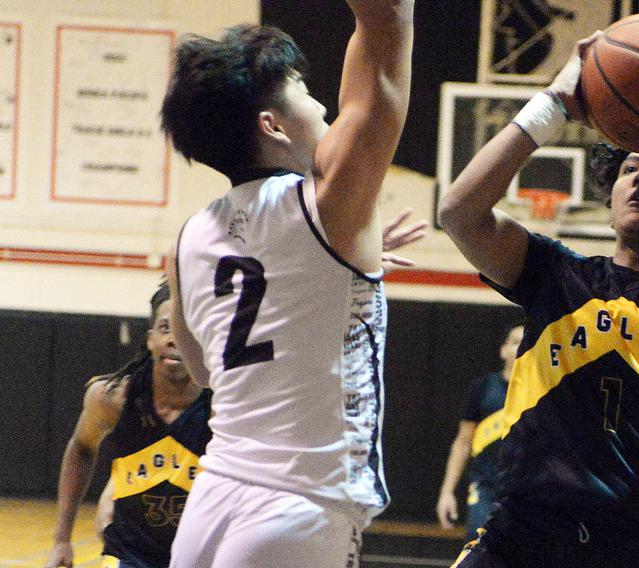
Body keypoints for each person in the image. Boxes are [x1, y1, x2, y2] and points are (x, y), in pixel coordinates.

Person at [438, 32, 639, 568]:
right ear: (608, 197)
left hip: (627, 547)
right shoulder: (555, 274)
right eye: (631, 168)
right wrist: (553, 107)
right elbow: (458, 214)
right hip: (518, 535)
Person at [160, 2, 414, 567]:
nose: (322, 105)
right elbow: (385, 32)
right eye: (302, 89)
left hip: (212, 499)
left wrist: (318, 286)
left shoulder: (189, 238)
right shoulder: (328, 201)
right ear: (272, 125)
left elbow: (205, 371)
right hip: (299, 505)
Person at [45, 283, 212, 568]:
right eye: (165, 328)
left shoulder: (225, 408)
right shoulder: (113, 398)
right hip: (129, 554)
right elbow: (81, 448)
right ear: (150, 339)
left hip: (201, 555)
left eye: (187, 331)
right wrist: (62, 538)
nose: (175, 339)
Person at [436, 324, 524, 541]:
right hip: (485, 488)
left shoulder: (543, 391)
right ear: (503, 350)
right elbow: (463, 442)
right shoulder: (484, 387)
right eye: (515, 342)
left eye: (527, 342)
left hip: (525, 491)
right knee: (478, 546)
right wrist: (447, 492)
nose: (521, 347)